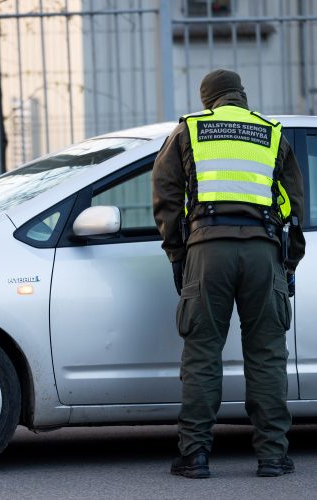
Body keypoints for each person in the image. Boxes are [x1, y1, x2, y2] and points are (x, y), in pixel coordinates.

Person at [152, 69, 305, 479]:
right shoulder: (272, 134)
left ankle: (195, 455)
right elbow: (294, 208)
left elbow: (165, 195)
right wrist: (286, 265)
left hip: (208, 250)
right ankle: (273, 456)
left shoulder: (190, 131)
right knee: (268, 355)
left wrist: (178, 255)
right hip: (263, 251)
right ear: (241, 94)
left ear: (209, 100)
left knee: (202, 355)